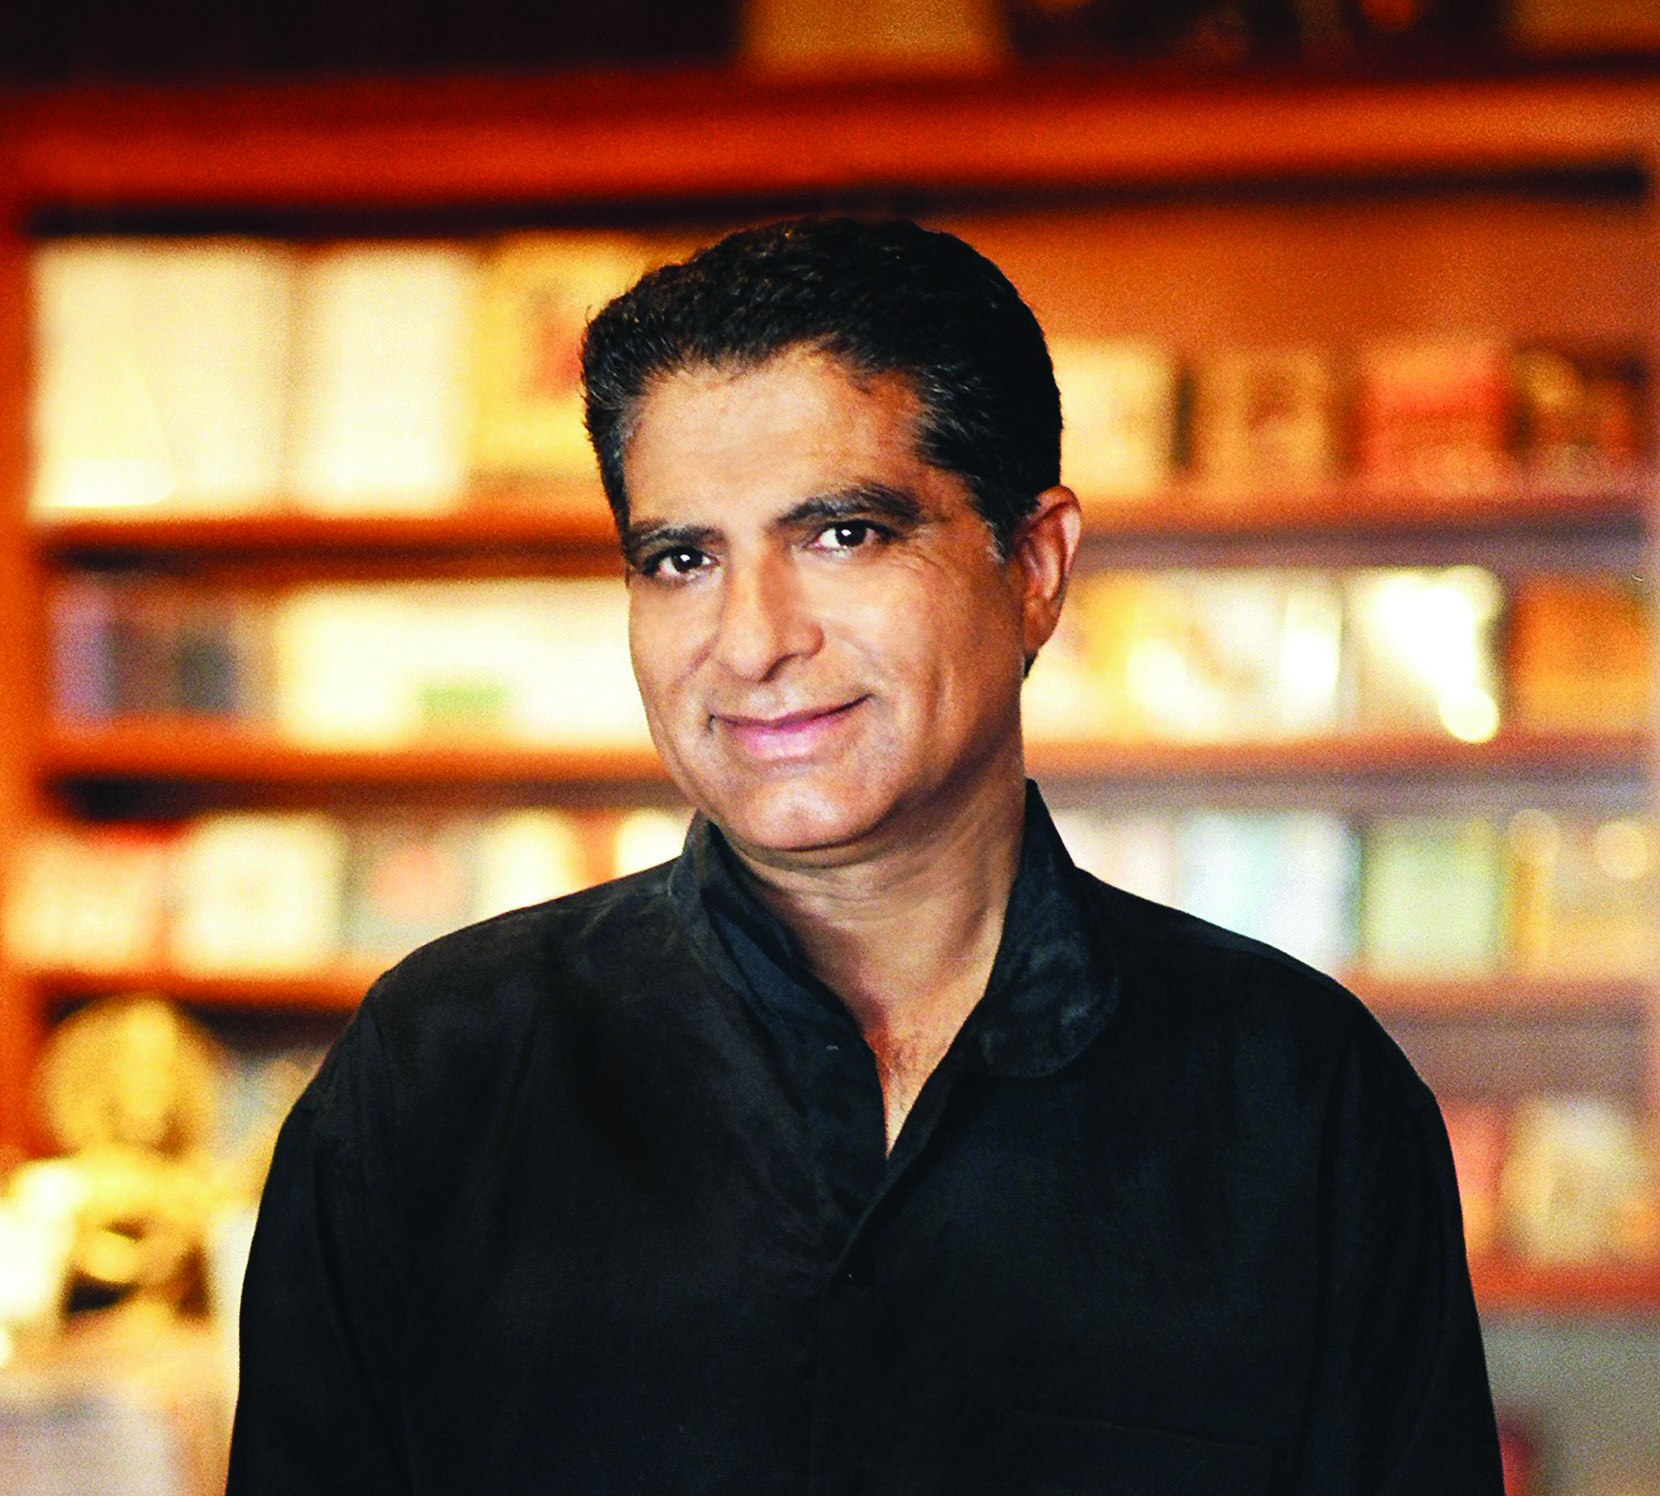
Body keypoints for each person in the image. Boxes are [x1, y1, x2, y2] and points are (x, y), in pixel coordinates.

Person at [227, 217, 1504, 1494]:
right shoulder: (434, 1075)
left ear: (1034, 565)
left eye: (842, 534)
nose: (751, 641)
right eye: (681, 558)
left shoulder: (1299, 1098)